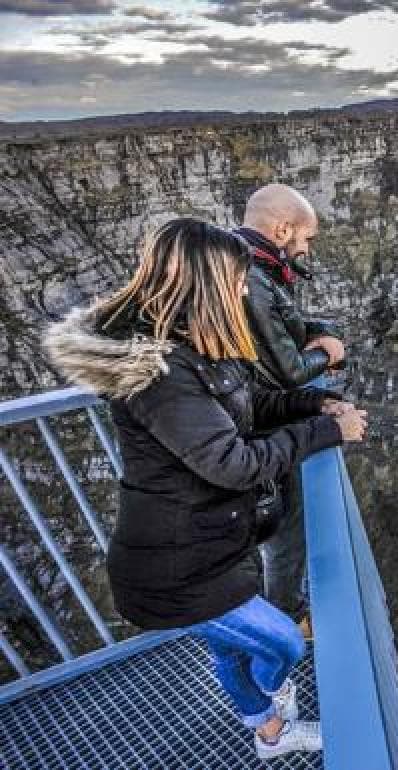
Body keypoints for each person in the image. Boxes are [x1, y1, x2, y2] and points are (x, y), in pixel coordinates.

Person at [44, 218, 369, 759]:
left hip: (213, 544)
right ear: (208, 283)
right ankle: (273, 703)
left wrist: (315, 403)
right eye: (238, 280)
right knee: (283, 643)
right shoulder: (160, 372)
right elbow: (231, 461)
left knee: (233, 652)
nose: (245, 290)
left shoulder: (195, 347)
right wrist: (325, 432)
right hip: (176, 569)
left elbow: (249, 409)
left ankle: (269, 735)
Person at [234, 184, 346, 630]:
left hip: (245, 410)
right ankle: (287, 616)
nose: (307, 248)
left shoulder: (244, 262)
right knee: (285, 524)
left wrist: (322, 329)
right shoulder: (255, 280)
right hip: (260, 421)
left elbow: (286, 327)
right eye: (306, 238)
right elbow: (289, 371)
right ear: (282, 229)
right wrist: (329, 354)